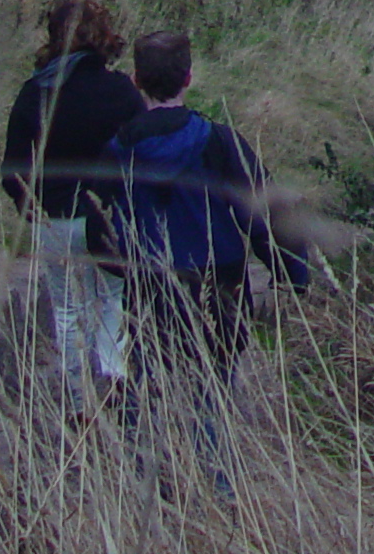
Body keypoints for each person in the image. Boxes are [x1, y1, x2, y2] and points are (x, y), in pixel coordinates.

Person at [97, 30, 311, 466]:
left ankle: (141, 494)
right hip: (219, 289)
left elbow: (100, 224)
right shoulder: (219, 142)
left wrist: (118, 269)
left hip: (150, 289)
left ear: (136, 79)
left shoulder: (118, 150)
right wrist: (292, 273)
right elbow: (267, 212)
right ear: (189, 78)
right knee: (210, 396)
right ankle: (217, 496)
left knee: (147, 387)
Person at [0, 0, 146, 418]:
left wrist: (31, 207)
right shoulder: (121, 91)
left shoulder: (35, 92)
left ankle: (78, 401)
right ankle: (115, 384)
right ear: (103, 37)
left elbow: (14, 168)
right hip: (110, 215)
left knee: (67, 308)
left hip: (56, 216)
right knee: (113, 299)